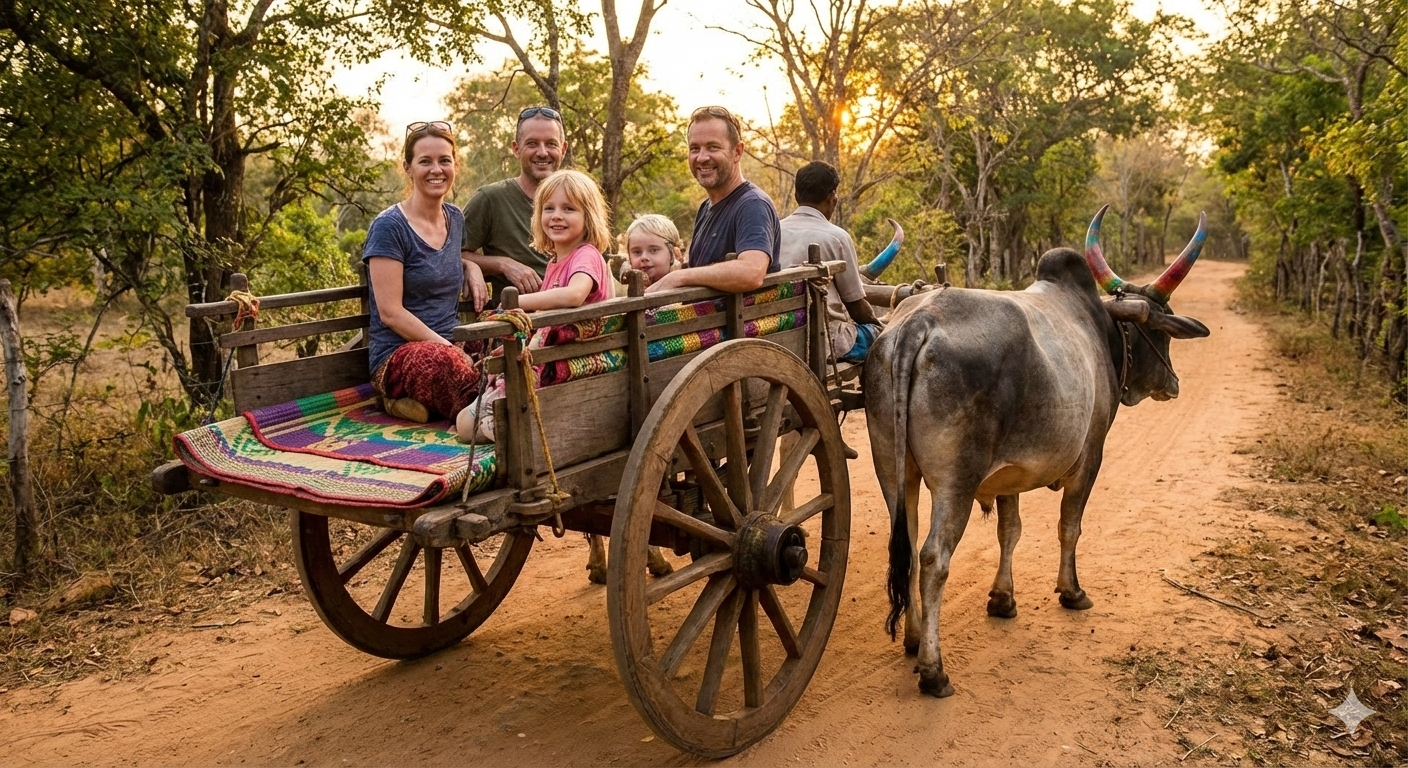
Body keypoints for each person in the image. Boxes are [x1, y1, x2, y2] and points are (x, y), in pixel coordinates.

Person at [455, 169, 613, 442]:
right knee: (464, 424)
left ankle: (514, 432)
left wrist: (517, 303)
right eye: (548, 208)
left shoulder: (586, 256)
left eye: (569, 209)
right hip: (542, 357)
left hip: (563, 363)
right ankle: (500, 423)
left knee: (470, 427)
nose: (557, 216)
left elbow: (575, 295)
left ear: (588, 217)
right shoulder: (554, 262)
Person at [363, 120, 488, 424]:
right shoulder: (389, 227)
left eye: (444, 160)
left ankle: (426, 405)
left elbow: (439, 263)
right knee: (447, 364)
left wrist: (469, 264)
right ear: (407, 167)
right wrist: (449, 349)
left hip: (450, 339)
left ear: (455, 165)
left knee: (505, 336)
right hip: (399, 356)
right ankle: (488, 416)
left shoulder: (455, 218)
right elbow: (391, 313)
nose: (436, 169)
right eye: (425, 161)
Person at [645, 106, 779, 295]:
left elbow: (752, 272)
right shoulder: (706, 207)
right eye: (694, 148)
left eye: (713, 147)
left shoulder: (752, 205)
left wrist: (679, 278)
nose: (702, 157)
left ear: (737, 152)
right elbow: (700, 270)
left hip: (736, 323)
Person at [778, 160, 883, 363]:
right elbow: (856, 306)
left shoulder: (774, 232)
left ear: (796, 196)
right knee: (882, 338)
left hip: (776, 332)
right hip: (823, 340)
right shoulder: (837, 237)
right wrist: (878, 325)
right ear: (832, 197)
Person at [461, 105, 569, 301]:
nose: (542, 152)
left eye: (551, 144)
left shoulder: (580, 199)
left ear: (563, 149)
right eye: (532, 144)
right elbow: (451, 256)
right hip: (516, 320)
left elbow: (601, 261)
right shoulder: (491, 199)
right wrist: (503, 264)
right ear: (516, 149)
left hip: (576, 317)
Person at [622, 213, 684, 288]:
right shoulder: (622, 291)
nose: (644, 257)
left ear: (674, 254)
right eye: (637, 252)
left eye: (654, 250)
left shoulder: (689, 287)